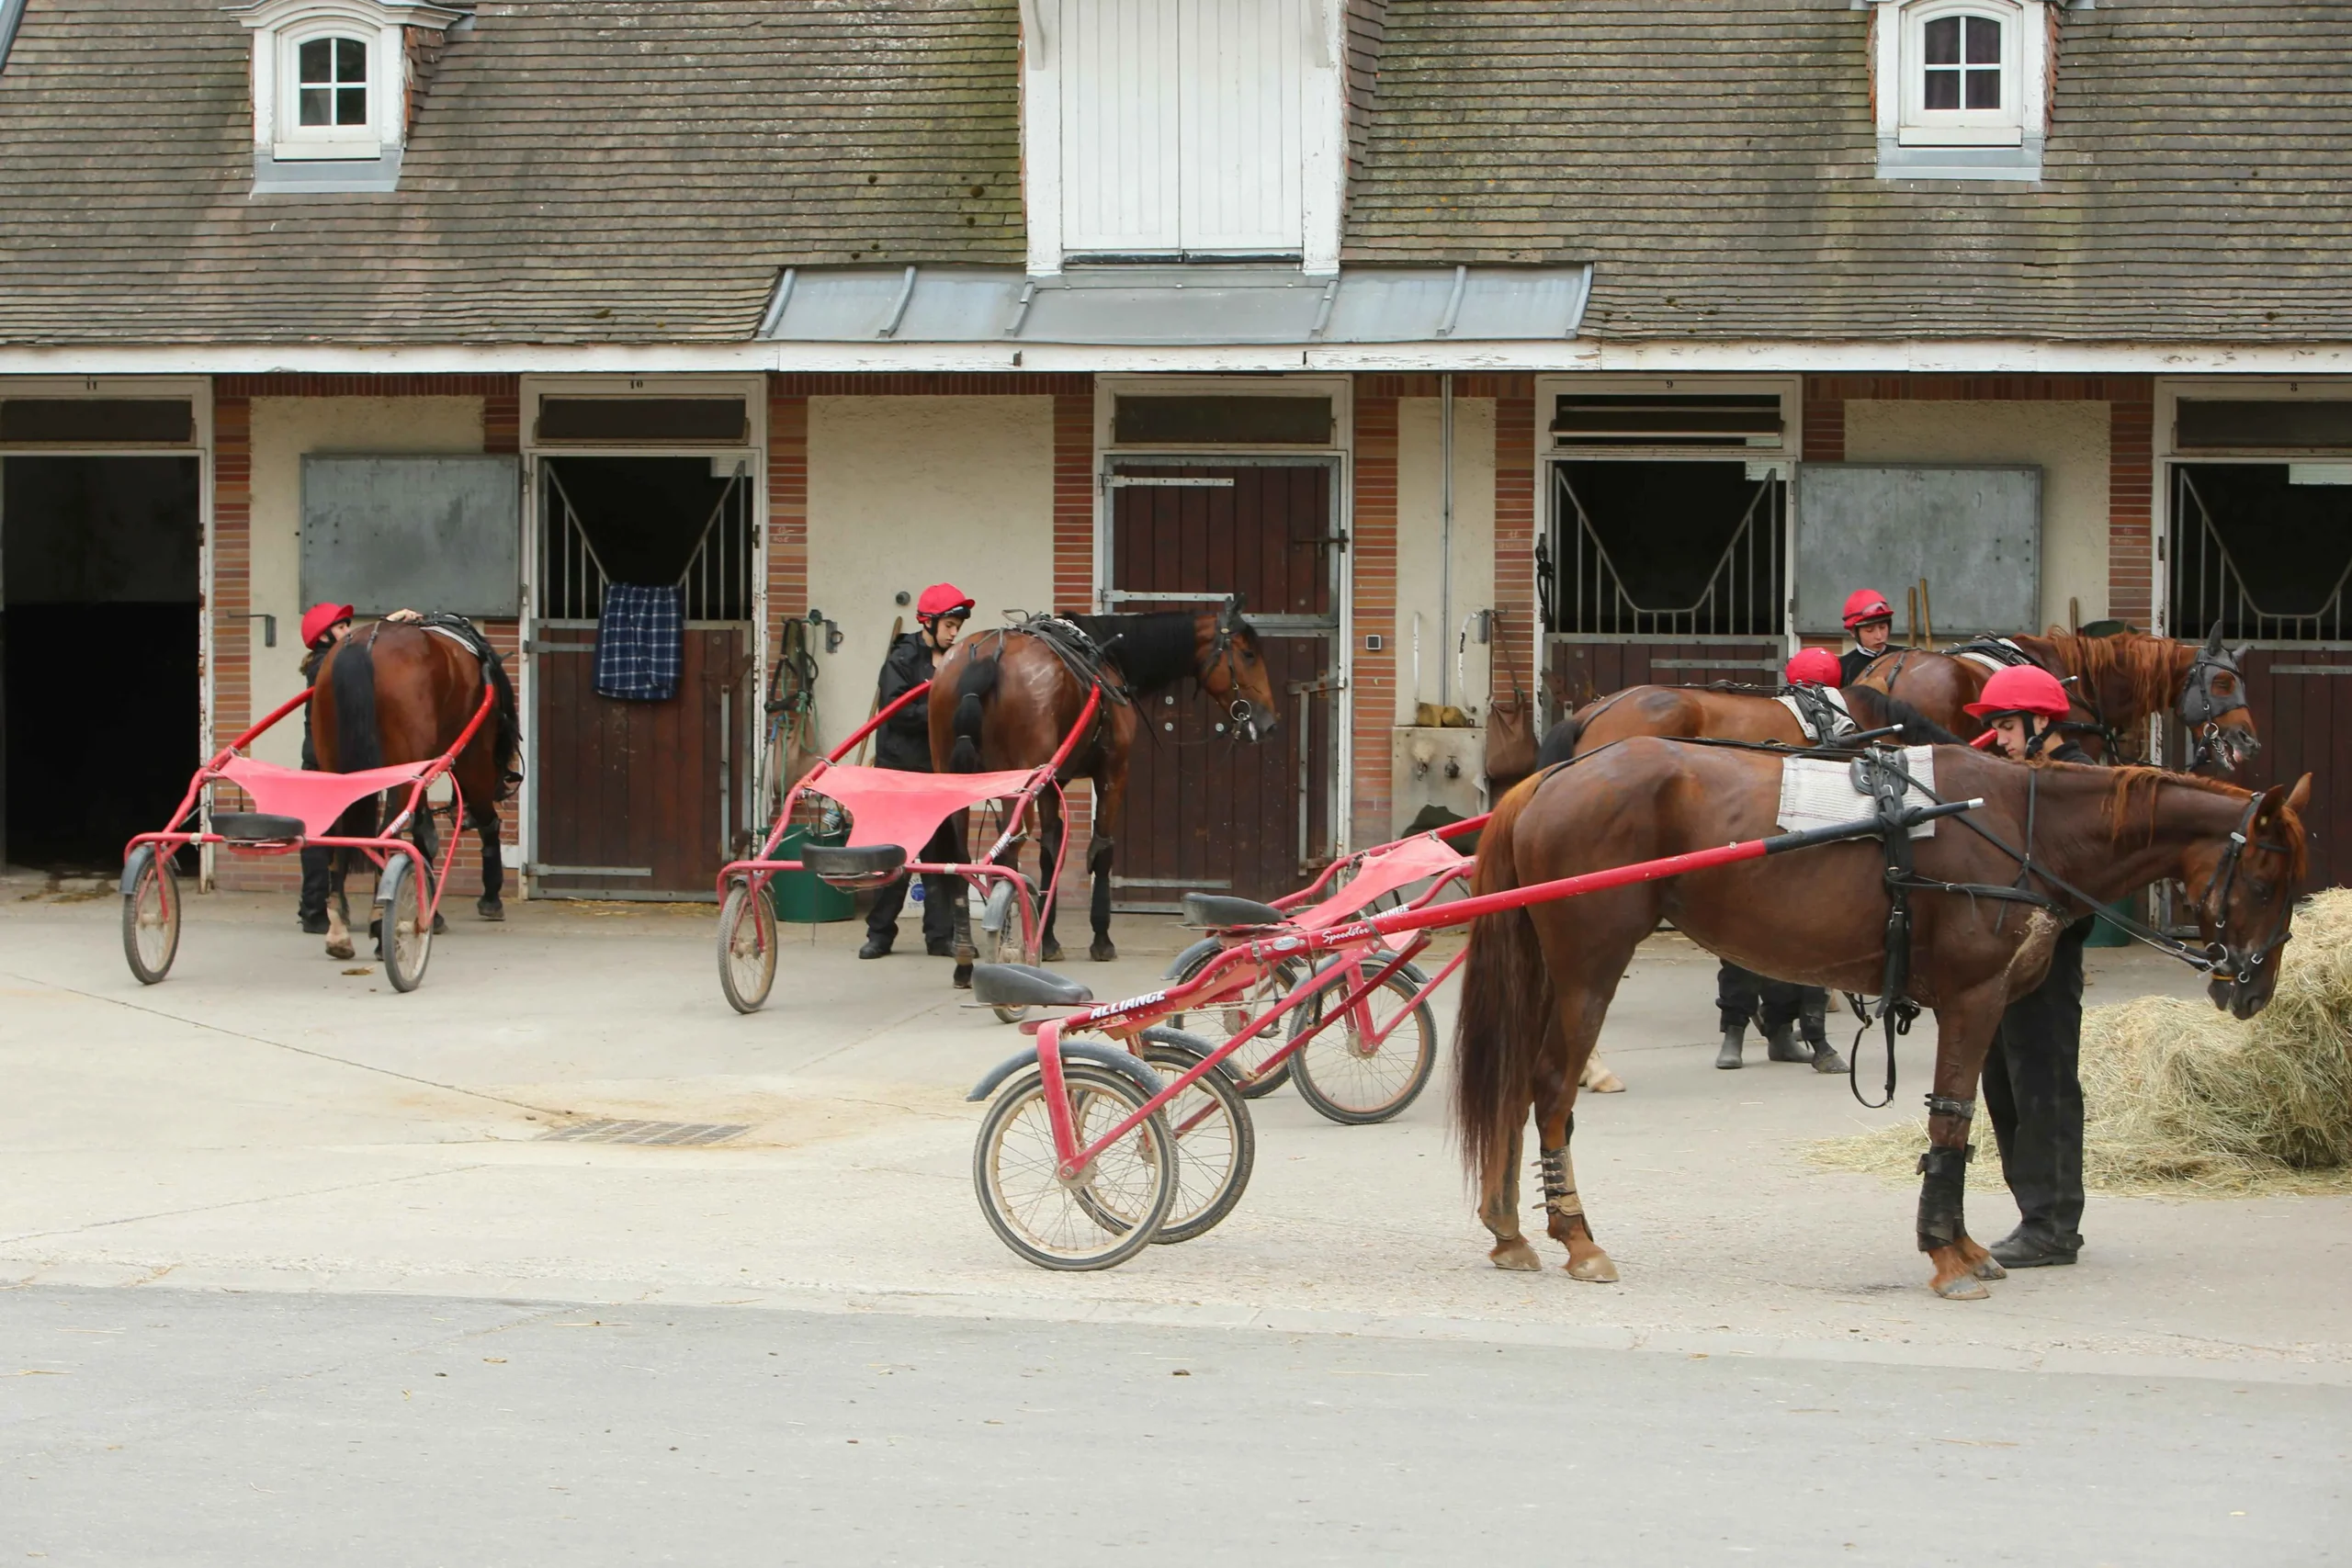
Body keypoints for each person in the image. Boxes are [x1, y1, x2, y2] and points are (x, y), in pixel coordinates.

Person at [1963, 663, 2096, 1269]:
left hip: (2048, 956)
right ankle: (2033, 1211)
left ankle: (2054, 1223)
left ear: (2041, 720)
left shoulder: (2080, 783)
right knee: (2004, 1082)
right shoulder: (2021, 774)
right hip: (2003, 957)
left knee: (2044, 1084)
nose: (2000, 737)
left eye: (2006, 726)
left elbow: (2085, 881)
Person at [1715, 647, 1849, 1074]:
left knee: (1746, 938)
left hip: (1772, 834)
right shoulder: (1843, 721)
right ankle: (1798, 1037)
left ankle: (1751, 1036)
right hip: (1804, 837)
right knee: (1809, 942)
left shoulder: (1764, 716)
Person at [858, 582, 975, 964]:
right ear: (928, 621)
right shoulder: (903, 659)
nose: (955, 631)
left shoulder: (958, 659)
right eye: (950, 624)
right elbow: (896, 711)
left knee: (939, 857)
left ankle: (939, 937)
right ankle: (880, 934)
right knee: (896, 858)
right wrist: (942, 714)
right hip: (901, 771)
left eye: (959, 624)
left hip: (939, 775)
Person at [294, 602, 418, 932]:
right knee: (319, 839)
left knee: (324, 837)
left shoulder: (337, 663)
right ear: (323, 637)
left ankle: (320, 907)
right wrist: (387, 622)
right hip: (319, 763)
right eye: (340, 628)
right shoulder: (321, 666)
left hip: (326, 760)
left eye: (348, 625)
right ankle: (313, 909)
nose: (347, 632)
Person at [1838, 588, 1896, 687]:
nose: (1879, 636)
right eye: (1869, 630)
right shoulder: (1843, 668)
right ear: (1853, 632)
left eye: (1882, 627)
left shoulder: (1905, 657)